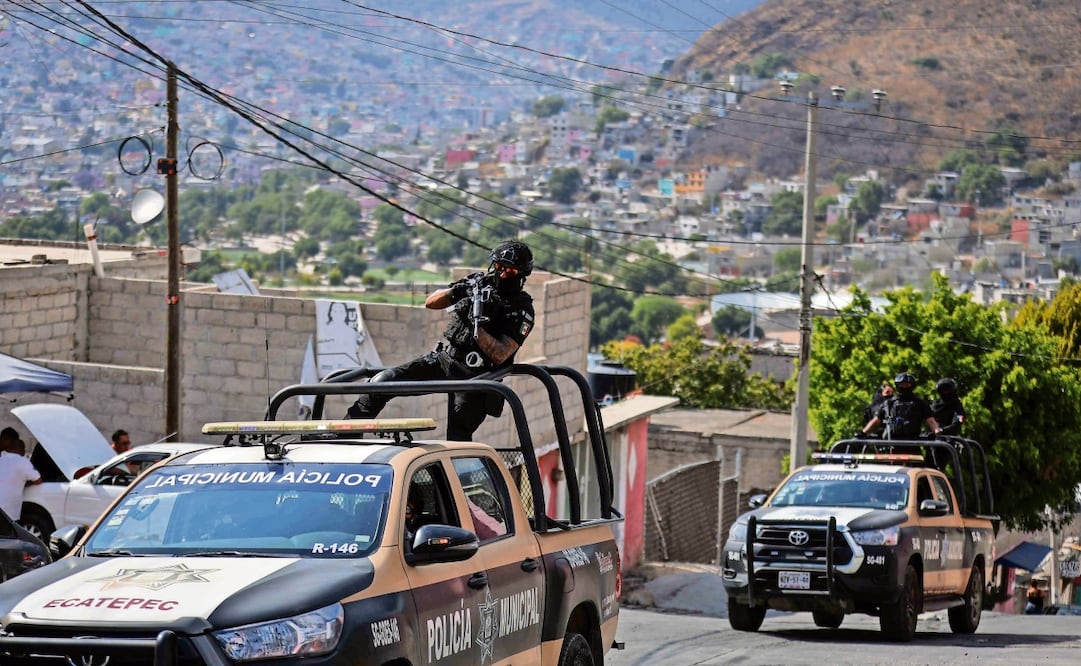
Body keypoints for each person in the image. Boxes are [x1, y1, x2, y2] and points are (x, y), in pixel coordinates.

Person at [346, 240, 536, 441]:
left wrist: (476, 325)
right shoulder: (478, 283)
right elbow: (431, 302)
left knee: (457, 438)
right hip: (446, 360)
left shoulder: (521, 309)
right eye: (500, 267)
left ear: (521, 275)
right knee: (382, 382)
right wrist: (458, 291)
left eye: (511, 271)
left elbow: (500, 354)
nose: (503, 274)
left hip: (477, 377)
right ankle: (345, 435)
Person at [861, 372, 942, 440]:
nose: (904, 387)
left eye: (907, 384)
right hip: (891, 445)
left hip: (912, 444)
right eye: (902, 384)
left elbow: (931, 421)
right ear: (897, 385)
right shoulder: (889, 403)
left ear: (912, 385)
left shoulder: (919, 403)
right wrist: (863, 433)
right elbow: (876, 421)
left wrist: (937, 433)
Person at [0, 428, 42, 523]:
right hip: (8, 512)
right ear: (22, 450)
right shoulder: (23, 462)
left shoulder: (1, 458)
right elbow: (38, 480)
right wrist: (25, 483)